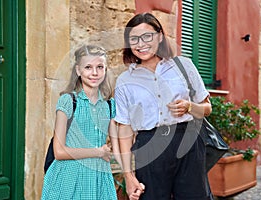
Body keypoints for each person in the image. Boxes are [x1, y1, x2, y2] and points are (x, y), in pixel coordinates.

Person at [114, 13, 213, 200]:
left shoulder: (183, 66)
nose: (140, 44)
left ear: (159, 36)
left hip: (188, 140)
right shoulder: (124, 81)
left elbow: (207, 108)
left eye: (147, 37)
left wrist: (189, 107)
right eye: (134, 39)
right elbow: (124, 130)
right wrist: (128, 176)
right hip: (149, 145)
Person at [41, 45, 121, 200]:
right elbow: (59, 152)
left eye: (100, 67)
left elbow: (116, 146)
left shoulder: (110, 104)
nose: (95, 73)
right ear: (78, 70)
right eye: (88, 67)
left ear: (106, 69)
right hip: (69, 177)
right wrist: (97, 152)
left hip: (99, 178)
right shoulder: (68, 101)